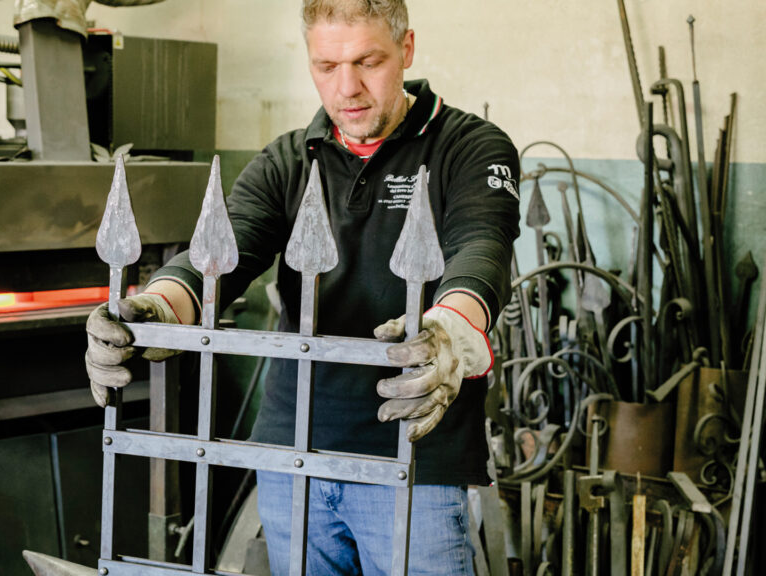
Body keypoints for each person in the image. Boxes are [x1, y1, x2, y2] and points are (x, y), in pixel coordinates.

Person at [85, 1, 520, 574]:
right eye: (326, 65)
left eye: (369, 61)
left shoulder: (470, 147)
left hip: (417, 457)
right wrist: (153, 307)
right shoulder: (287, 161)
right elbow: (220, 253)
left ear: (406, 50)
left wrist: (451, 330)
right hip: (294, 454)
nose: (348, 88)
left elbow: (480, 247)